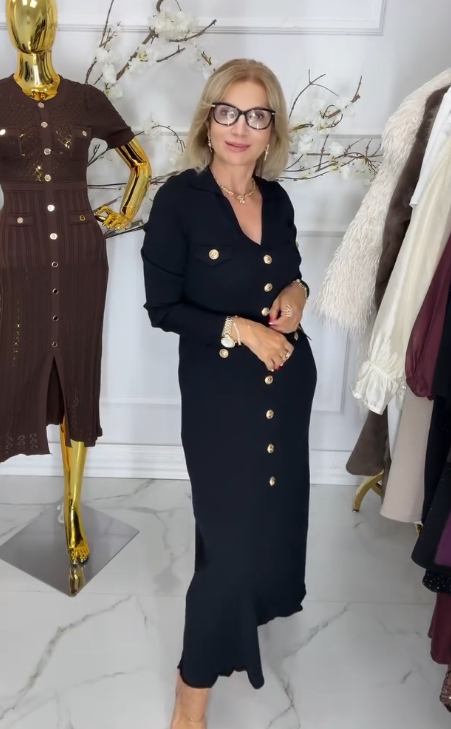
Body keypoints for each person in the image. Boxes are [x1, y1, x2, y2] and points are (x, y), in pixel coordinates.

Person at [141, 58, 317, 729]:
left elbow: (292, 272)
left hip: (286, 384)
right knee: (228, 541)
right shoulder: (179, 201)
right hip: (220, 396)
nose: (241, 127)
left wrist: (298, 293)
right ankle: (191, 698)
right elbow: (162, 307)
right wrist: (240, 329)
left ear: (272, 130)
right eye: (228, 112)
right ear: (208, 121)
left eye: (256, 115)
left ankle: (240, 627)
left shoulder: (277, 200)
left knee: (266, 526)